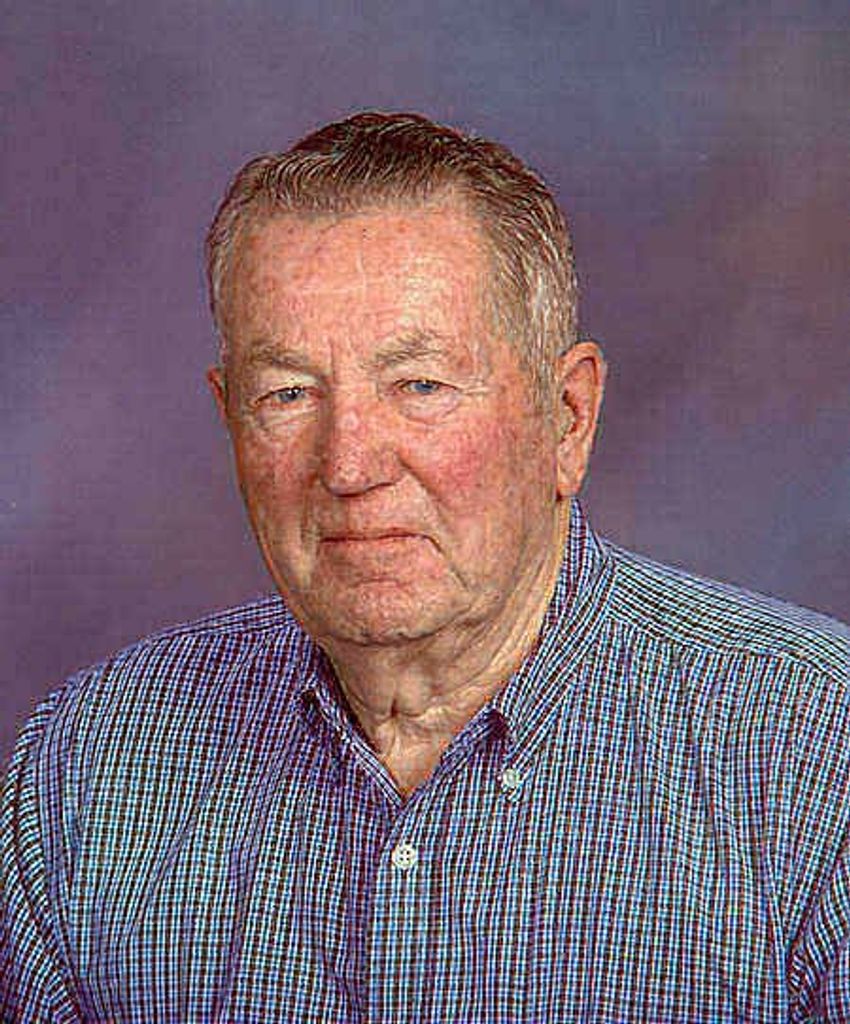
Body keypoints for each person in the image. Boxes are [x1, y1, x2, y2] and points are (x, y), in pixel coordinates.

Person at [1, 111, 848, 1024]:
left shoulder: (814, 758)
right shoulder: (87, 766)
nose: (349, 464)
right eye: (287, 393)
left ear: (568, 417)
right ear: (230, 419)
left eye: (420, 386)